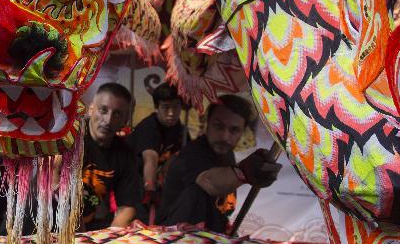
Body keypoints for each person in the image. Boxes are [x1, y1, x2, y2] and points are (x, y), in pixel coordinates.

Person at [158, 94, 282, 233]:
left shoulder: (226, 154)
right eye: (218, 127)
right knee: (196, 191)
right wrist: (244, 172)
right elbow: (208, 181)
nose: (225, 137)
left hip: (208, 238)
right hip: (174, 240)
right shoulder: (192, 154)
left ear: (242, 131)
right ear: (207, 123)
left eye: (234, 130)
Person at [74, 82, 142, 230]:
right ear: (91, 109)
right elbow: (54, 189)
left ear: (125, 121)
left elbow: (127, 207)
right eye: (103, 110)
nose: (108, 120)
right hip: (54, 225)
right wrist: (80, 238)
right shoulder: (69, 140)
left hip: (96, 227)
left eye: (117, 114)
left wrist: (109, 239)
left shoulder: (125, 155)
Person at [128, 82, 184, 223]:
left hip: (160, 181)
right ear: (157, 107)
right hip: (137, 180)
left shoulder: (180, 129)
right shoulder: (149, 127)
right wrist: (150, 189)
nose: (171, 113)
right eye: (166, 107)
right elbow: (150, 159)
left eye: (176, 107)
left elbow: (181, 154)